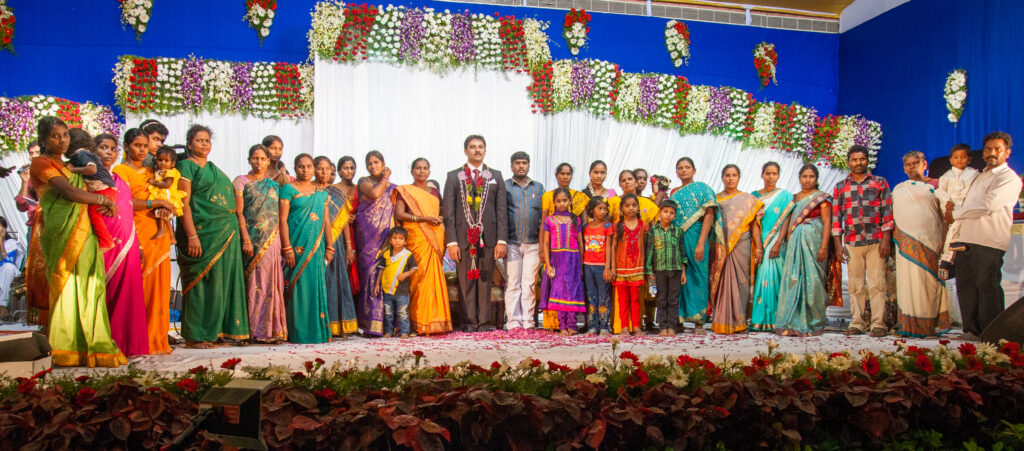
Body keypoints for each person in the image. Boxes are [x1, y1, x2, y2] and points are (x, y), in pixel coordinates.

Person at [24, 116, 126, 367]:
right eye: (55, 136)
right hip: (61, 233)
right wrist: (104, 201)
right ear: (43, 139)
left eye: (65, 135)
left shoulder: (72, 163)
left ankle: (96, 347)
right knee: (68, 287)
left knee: (92, 286)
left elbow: (89, 187)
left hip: (86, 231)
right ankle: (66, 348)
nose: (62, 141)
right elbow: (69, 192)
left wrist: (103, 202)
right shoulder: (41, 163)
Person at [175, 125, 250, 348]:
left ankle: (216, 331)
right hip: (202, 233)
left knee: (220, 282)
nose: (204, 144)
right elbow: (183, 204)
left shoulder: (213, 168)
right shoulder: (186, 166)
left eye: (207, 140)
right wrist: (192, 236)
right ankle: (195, 336)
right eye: (199, 140)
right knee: (202, 284)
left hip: (225, 233)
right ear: (189, 144)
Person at [949, 132, 1021, 341]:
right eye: (988, 149)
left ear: (1007, 152)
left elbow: (989, 205)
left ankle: (994, 334)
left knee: (987, 287)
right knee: (966, 286)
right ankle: (972, 330)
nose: (992, 153)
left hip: (989, 240)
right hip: (967, 238)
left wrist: (955, 213)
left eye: (998, 149)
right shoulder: (980, 176)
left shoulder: (1009, 178)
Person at [112, 129, 174, 355]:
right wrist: (155, 204)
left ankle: (156, 339)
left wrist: (167, 206)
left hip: (159, 232)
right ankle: (137, 339)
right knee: (138, 287)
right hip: (135, 232)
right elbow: (124, 203)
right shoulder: (120, 171)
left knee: (159, 287)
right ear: (126, 146)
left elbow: (168, 195)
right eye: (137, 145)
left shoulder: (153, 171)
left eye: (145, 146)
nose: (142, 150)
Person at [443, 135, 508, 332]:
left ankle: (484, 322)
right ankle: (469, 322)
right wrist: (451, 242)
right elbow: (449, 212)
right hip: (463, 238)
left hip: (488, 237)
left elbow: (501, 210)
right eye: (472, 147)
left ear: (485, 150)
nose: (477, 150)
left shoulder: (495, 176)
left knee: (485, 280)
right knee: (466, 281)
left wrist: (501, 240)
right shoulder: (454, 176)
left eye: (480, 147)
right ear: (466, 151)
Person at [94, 134, 149, 357]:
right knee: (102, 292)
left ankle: (127, 343)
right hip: (103, 242)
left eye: (112, 148)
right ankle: (104, 343)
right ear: (93, 151)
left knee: (128, 294)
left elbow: (128, 212)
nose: (109, 152)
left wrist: (138, 245)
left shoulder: (120, 181)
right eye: (103, 147)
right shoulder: (89, 179)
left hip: (127, 242)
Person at [832, 145, 894, 338]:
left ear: (868, 161)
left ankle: (878, 324)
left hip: (876, 241)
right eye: (854, 160)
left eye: (862, 159)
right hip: (852, 241)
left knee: (877, 284)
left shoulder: (880, 183)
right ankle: (857, 323)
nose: (858, 163)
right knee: (855, 285)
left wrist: (886, 240)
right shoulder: (840, 186)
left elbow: (887, 213)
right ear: (848, 162)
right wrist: (838, 245)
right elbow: (836, 217)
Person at [775, 164, 839, 336]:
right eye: (804, 176)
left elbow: (827, 223)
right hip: (794, 246)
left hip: (815, 245)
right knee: (793, 279)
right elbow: (786, 222)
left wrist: (824, 246)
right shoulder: (794, 198)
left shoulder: (822, 199)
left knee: (814, 282)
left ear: (816, 179)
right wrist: (778, 242)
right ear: (799, 178)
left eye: (811, 177)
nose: (808, 180)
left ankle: (813, 322)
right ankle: (791, 322)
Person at [892, 151, 950, 337]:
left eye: (915, 163)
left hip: (930, 242)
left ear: (924, 164)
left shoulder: (937, 185)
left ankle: (929, 326)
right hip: (905, 245)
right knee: (907, 284)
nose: (911, 167)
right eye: (908, 164)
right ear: (904, 168)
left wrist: (944, 240)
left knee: (928, 284)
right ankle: (908, 326)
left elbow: (946, 216)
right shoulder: (899, 189)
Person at [233, 144, 287, 343]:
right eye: (255, 158)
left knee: (272, 283)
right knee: (255, 283)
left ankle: (272, 330)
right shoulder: (241, 182)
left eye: (263, 158)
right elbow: (239, 212)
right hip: (252, 240)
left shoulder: (275, 185)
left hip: (273, 240)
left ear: (268, 161)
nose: (259, 162)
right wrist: (246, 238)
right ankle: (253, 329)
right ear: (249, 160)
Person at [393, 158, 452, 335]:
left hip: (434, 237)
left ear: (429, 172)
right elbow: (399, 214)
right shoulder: (405, 191)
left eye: (425, 168)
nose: (421, 171)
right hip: (415, 238)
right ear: (412, 171)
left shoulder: (434, 192)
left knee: (431, 279)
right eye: (418, 168)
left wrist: (440, 218)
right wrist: (424, 219)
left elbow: (442, 212)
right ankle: (413, 323)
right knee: (415, 278)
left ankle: (432, 321)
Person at [280, 153, 332, 344]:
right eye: (301, 166)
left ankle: (316, 332)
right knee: (297, 287)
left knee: (314, 286)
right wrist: (287, 248)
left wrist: (330, 247)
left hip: (316, 248)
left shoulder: (321, 193)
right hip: (295, 247)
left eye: (309, 166)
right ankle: (298, 332)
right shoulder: (288, 189)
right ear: (295, 168)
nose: (305, 170)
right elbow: (282, 220)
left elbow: (326, 221)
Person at [670, 157, 724, 331]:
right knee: (679, 277)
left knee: (698, 275)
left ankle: (699, 321)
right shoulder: (674, 193)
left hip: (697, 235)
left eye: (687, 167)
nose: (683, 170)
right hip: (678, 238)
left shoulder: (702, 188)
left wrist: (701, 242)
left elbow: (709, 215)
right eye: (680, 168)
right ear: (676, 172)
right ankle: (678, 318)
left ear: (694, 170)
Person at [709, 165, 764, 335]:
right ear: (722, 177)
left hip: (742, 244)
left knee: (741, 282)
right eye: (727, 175)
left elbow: (755, 226)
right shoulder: (715, 199)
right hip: (720, 246)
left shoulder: (749, 200)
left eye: (734, 175)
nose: (731, 178)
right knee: (721, 282)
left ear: (739, 177)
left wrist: (759, 248)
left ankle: (740, 321)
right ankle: (721, 320)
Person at [356, 151, 396, 336]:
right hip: (367, 237)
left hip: (386, 236)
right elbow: (375, 193)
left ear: (383, 163)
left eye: (376, 162)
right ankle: (368, 324)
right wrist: (386, 176)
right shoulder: (364, 182)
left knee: (386, 276)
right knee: (369, 277)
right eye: (370, 163)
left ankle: (388, 325)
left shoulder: (393, 188)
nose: (373, 166)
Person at [503, 151, 543, 330]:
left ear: (529, 165)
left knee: (529, 283)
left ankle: (528, 320)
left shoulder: (538, 187)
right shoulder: (505, 186)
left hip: (533, 243)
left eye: (524, 163)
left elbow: (543, 215)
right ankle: (513, 321)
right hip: (511, 242)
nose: (521, 166)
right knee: (513, 283)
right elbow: (501, 215)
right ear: (511, 166)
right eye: (517, 163)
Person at [751, 162, 793, 332]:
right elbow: (753, 223)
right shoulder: (754, 196)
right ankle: (760, 319)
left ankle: (777, 319)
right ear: (762, 175)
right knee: (761, 277)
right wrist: (758, 246)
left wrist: (778, 242)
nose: (770, 177)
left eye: (774, 173)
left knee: (776, 278)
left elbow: (786, 221)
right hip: (760, 241)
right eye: (767, 173)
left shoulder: (785, 196)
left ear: (778, 176)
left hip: (777, 242)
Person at [539, 188, 585, 335]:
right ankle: (562, 326)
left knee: (571, 290)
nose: (561, 203)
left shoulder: (575, 219)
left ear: (570, 201)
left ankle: (572, 325)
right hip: (557, 259)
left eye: (564, 200)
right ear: (554, 202)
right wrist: (548, 264)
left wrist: (581, 264)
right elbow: (546, 243)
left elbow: (580, 243)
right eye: (558, 201)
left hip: (573, 259)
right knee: (559, 291)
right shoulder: (549, 220)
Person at [322, 157, 358, 337]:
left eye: (352, 167)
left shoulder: (338, 194)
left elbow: (343, 222)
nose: (324, 172)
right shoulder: (320, 190)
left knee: (340, 280)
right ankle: (324, 324)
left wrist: (349, 247)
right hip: (319, 239)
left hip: (339, 240)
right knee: (325, 281)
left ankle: (342, 324)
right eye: (320, 169)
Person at [65, 128, 116, 251]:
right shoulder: (81, 155)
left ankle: (106, 242)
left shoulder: (81, 154)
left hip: (102, 188)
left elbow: (92, 169)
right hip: (103, 188)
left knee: (94, 213)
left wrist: (73, 170)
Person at [936, 144, 979, 280]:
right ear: (950, 160)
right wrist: (947, 204)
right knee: (955, 223)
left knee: (958, 223)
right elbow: (940, 192)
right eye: (956, 157)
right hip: (951, 205)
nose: (959, 160)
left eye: (963, 157)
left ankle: (946, 259)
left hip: (967, 205)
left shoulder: (974, 174)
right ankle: (948, 255)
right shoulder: (946, 176)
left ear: (969, 159)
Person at [646, 200, 687, 336]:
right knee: (661, 299)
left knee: (673, 300)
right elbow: (649, 251)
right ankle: (662, 327)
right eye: (665, 212)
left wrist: (683, 271)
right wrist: (649, 271)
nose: (668, 215)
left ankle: (672, 327)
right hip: (659, 270)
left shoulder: (678, 231)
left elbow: (682, 252)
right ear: (659, 212)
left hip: (675, 270)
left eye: (672, 213)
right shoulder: (653, 231)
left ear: (675, 216)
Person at [375, 227, 419, 337]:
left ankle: (404, 332)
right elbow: (381, 269)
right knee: (388, 313)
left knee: (403, 312)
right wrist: (377, 284)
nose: (397, 241)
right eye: (394, 238)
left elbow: (414, 269)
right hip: (387, 289)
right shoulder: (386, 254)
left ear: (405, 242)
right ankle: (388, 332)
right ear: (390, 240)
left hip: (402, 291)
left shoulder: (408, 255)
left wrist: (405, 274)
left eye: (400, 238)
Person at [613, 194, 647, 335]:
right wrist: (612, 267)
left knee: (635, 299)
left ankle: (637, 327)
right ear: (622, 208)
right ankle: (624, 328)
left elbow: (646, 245)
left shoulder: (643, 225)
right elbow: (613, 247)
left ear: (638, 207)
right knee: (622, 300)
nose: (631, 208)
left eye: (634, 205)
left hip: (637, 267)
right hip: (621, 268)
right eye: (627, 205)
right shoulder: (617, 226)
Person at [583, 197, 615, 335]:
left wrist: (608, 267)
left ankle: (604, 326)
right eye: (599, 208)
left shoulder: (607, 226)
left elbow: (609, 247)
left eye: (605, 209)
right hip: (587, 266)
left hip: (602, 266)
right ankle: (592, 326)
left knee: (604, 296)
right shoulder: (586, 227)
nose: (603, 211)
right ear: (591, 210)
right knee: (591, 296)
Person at [147, 146, 186, 240]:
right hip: (162, 193)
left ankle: (161, 229)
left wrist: (154, 183)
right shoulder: (160, 171)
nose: (162, 163)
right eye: (160, 160)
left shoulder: (170, 172)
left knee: (161, 213)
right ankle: (172, 237)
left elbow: (167, 184)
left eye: (166, 161)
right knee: (165, 217)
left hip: (167, 195)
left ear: (173, 164)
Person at [336, 156, 361, 296]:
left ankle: (351, 301)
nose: (349, 171)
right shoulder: (333, 189)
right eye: (345, 168)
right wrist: (343, 218)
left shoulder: (359, 189)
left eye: (352, 168)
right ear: (339, 171)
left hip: (355, 230)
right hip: (337, 231)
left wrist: (356, 216)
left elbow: (365, 209)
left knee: (354, 264)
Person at [0, 218, 25, 321]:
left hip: (11, 271)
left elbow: (7, 261)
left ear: (5, 229)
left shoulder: (12, 243)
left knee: (8, 267)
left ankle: (2, 305)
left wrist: (1, 242)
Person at [15, 143, 41, 235]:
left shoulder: (53, 172)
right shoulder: (29, 176)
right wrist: (25, 182)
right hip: (34, 228)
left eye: (37, 152)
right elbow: (21, 206)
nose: (34, 156)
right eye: (31, 153)